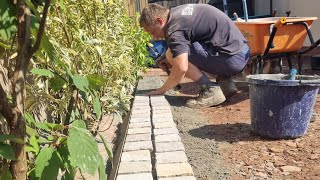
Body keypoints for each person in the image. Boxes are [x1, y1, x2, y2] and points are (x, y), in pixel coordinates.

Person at [140, 3, 250, 108]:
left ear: (160, 21)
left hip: (233, 58)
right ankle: (225, 82)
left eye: (153, 32)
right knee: (173, 53)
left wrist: (161, 90)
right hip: (240, 51)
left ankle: (211, 90)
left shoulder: (175, 29)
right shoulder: (176, 13)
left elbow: (181, 68)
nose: (154, 37)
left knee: (171, 54)